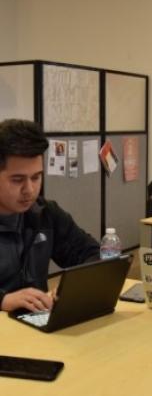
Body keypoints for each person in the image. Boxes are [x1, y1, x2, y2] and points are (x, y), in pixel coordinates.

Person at [0, 119, 100, 313]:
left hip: (37, 326)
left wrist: (71, 288)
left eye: (36, 177)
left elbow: (91, 254)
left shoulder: (45, 214)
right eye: (17, 180)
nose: (29, 190)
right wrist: (3, 300)